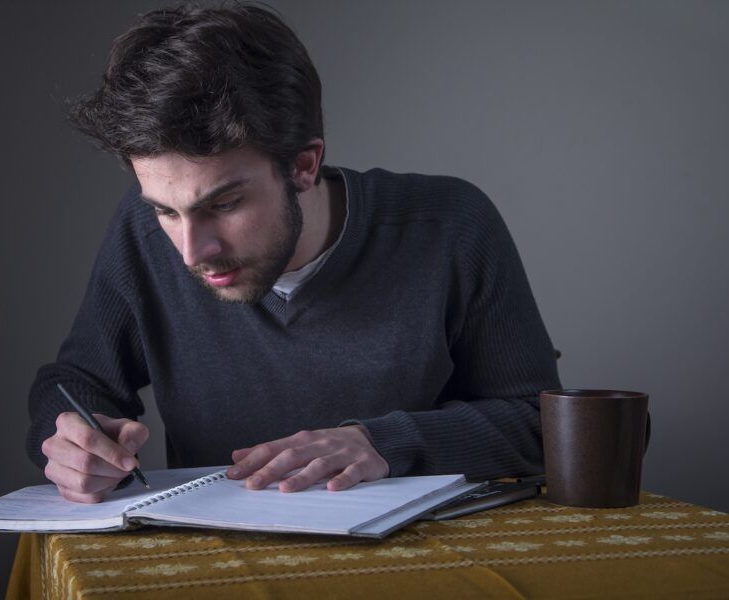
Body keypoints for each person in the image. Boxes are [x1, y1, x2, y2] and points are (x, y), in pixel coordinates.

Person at [28, 3, 561, 504]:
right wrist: (73, 441)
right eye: (167, 211)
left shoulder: (450, 227)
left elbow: (541, 426)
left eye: (226, 203)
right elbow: (75, 383)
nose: (193, 251)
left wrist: (385, 443)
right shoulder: (143, 231)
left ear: (304, 165)